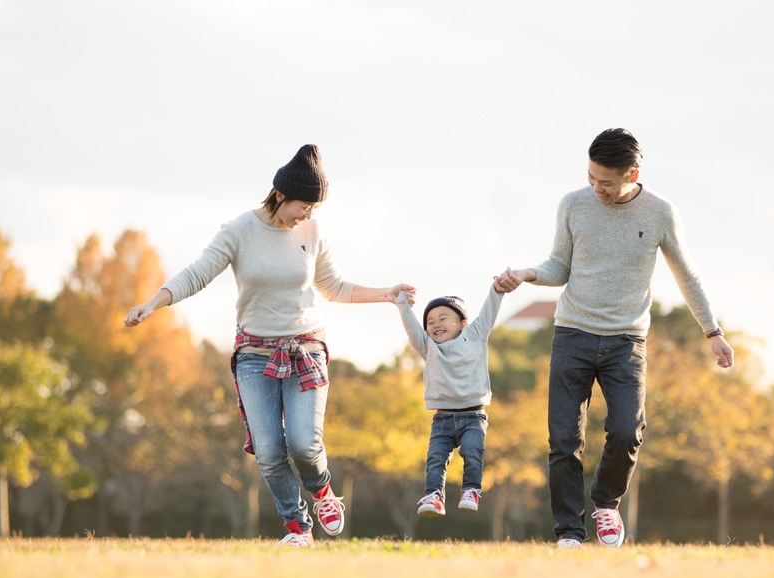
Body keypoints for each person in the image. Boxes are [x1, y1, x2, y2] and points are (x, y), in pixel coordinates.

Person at [124, 144, 415, 547]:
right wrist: (152, 303)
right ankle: (298, 529)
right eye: (303, 205)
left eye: (313, 208)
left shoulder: (311, 233)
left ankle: (323, 492)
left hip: (305, 349)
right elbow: (197, 274)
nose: (307, 215)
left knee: (303, 443)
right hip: (254, 354)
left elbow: (333, 286)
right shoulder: (239, 231)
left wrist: (387, 293)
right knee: (268, 449)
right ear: (280, 194)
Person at [494, 128, 733, 548]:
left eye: (606, 182)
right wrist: (528, 275)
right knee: (564, 439)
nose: (596, 188)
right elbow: (558, 267)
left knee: (627, 430)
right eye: (591, 177)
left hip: (626, 340)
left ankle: (606, 503)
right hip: (572, 333)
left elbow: (687, 275)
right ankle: (569, 532)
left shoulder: (660, 213)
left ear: (632, 173)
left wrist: (712, 332)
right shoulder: (572, 204)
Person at [394, 283, 506, 518]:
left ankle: (471, 490)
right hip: (442, 418)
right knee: (436, 458)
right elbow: (414, 331)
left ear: (463, 323)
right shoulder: (428, 347)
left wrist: (497, 290)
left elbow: (488, 313)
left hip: (473, 416)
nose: (436, 324)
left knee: (473, 450)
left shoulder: (475, 336)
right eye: (431, 322)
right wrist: (403, 305)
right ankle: (434, 496)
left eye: (443, 318)